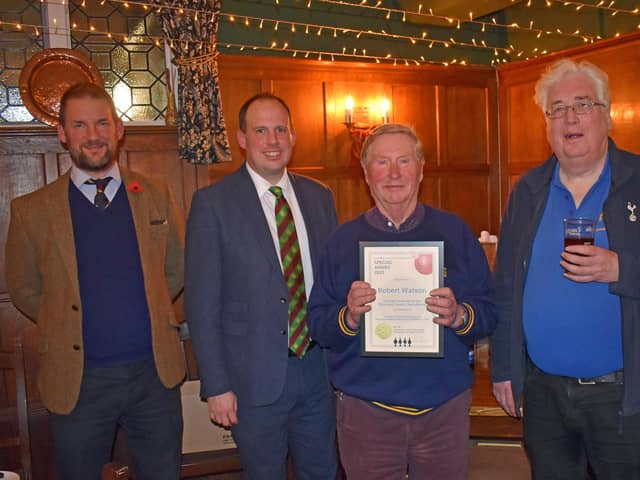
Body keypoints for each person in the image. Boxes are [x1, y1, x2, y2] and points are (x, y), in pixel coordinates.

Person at [5, 83, 185, 480]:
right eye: (80, 125)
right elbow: (22, 288)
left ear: (118, 129)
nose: (93, 135)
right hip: (79, 382)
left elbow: (174, 271)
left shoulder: (155, 194)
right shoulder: (31, 211)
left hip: (154, 378)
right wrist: (68, 320)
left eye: (102, 123)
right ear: (63, 134)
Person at [307, 123, 496, 480]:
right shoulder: (341, 241)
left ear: (421, 169)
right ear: (366, 173)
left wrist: (459, 316)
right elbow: (317, 325)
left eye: (404, 161)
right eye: (382, 163)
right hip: (367, 414)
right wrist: (347, 316)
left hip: (443, 411)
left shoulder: (455, 233)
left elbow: (488, 311)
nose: (394, 174)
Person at [490, 58, 640, 479]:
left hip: (623, 397)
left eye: (582, 105)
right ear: (547, 124)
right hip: (544, 396)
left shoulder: (637, 179)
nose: (569, 117)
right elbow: (506, 286)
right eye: (557, 109)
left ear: (607, 115)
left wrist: (621, 269)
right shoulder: (529, 190)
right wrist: (504, 367)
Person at [185, 92, 338, 479]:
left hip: (318, 374)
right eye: (260, 131)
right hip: (252, 382)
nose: (272, 140)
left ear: (293, 135)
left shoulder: (320, 198)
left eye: (280, 129)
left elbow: (333, 284)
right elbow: (202, 306)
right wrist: (215, 386)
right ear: (241, 138)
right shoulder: (212, 204)